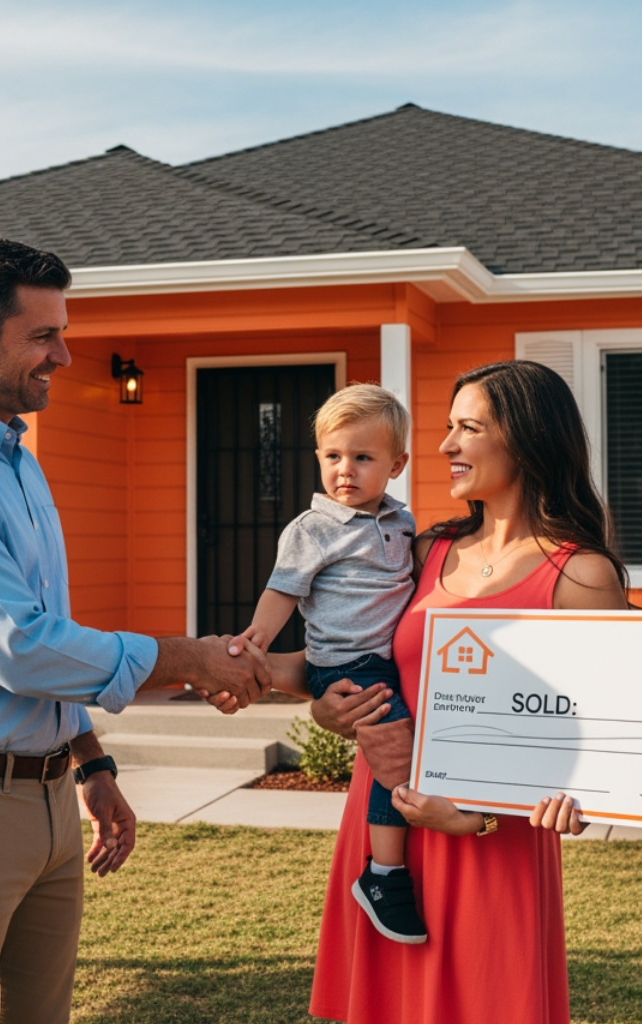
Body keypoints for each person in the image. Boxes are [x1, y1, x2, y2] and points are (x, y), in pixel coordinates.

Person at [0, 236, 269, 1024]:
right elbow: (18, 646)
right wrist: (190, 660)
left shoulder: (16, 458)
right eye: (43, 336)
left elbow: (51, 628)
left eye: (61, 332)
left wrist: (89, 764)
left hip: (44, 801)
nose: (65, 355)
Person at [270, 360, 628, 1024]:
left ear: (524, 439)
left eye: (468, 428)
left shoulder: (579, 575)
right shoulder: (424, 549)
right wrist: (319, 705)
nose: (444, 446)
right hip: (385, 830)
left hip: (489, 848)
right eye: (447, 427)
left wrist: (475, 819)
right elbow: (345, 659)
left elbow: (602, 753)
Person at [239, 384, 424, 943]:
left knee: (405, 753)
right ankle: (384, 875)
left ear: (397, 465)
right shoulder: (312, 529)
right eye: (333, 456)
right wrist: (253, 643)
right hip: (346, 664)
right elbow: (282, 593)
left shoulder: (402, 523)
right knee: (395, 755)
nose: (345, 470)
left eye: (363, 458)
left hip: (383, 662)